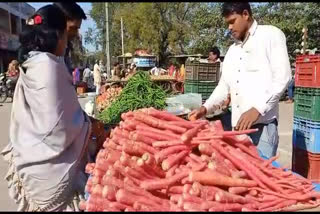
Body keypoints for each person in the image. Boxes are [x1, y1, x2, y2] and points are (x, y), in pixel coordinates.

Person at [1, 5, 106, 211]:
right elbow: (61, 127)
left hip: (29, 159)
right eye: (68, 34)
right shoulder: (49, 66)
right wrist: (90, 126)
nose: (69, 40)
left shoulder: (31, 62)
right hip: (51, 173)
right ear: (58, 35)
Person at [188, 2, 291, 159]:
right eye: (227, 23)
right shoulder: (232, 51)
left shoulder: (270, 35)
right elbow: (224, 86)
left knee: (261, 177)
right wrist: (205, 108)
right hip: (238, 129)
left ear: (245, 14)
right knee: (241, 179)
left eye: (232, 21)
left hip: (261, 128)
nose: (229, 28)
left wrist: (257, 109)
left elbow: (282, 77)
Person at [53, 2, 87, 75]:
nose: (75, 33)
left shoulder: (65, 51)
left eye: (77, 29)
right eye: (73, 28)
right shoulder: (45, 59)